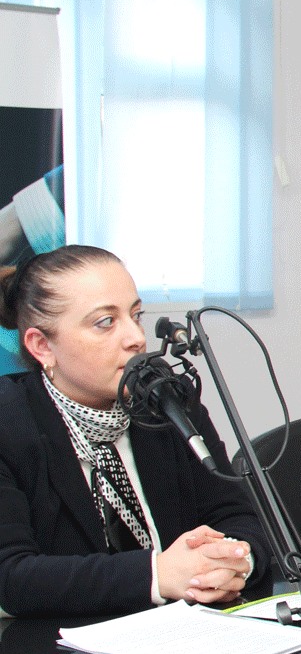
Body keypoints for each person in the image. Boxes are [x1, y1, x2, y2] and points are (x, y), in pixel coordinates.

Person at [0, 245, 266, 617]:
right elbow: (12, 577)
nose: (135, 338)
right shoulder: (9, 420)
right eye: (105, 322)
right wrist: (157, 575)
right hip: (59, 646)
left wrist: (235, 561)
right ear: (42, 345)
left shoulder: (164, 397)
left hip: (189, 633)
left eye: (135, 315)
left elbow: (237, 514)